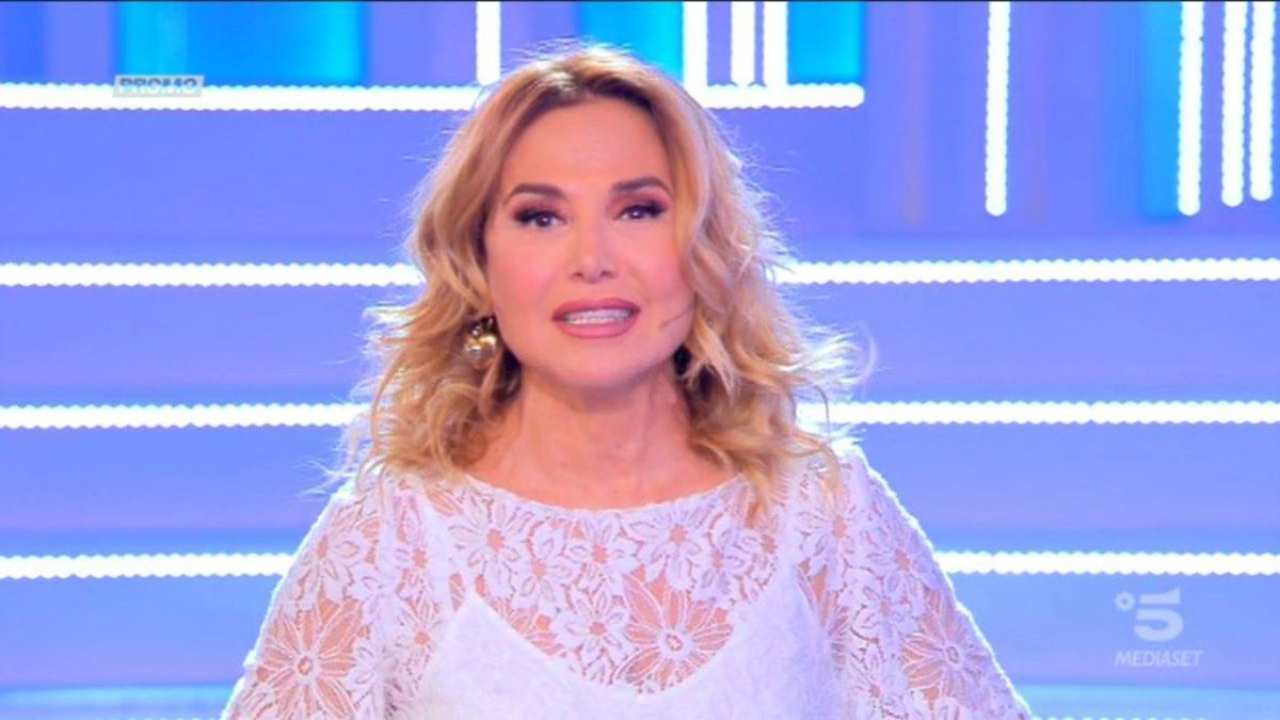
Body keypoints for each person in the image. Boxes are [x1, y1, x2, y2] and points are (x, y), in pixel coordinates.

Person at [221, 43, 1033, 719]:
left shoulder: (825, 512)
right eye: (541, 217)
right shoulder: (392, 536)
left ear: (702, 245)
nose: (592, 259)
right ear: (479, 260)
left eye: (638, 210)